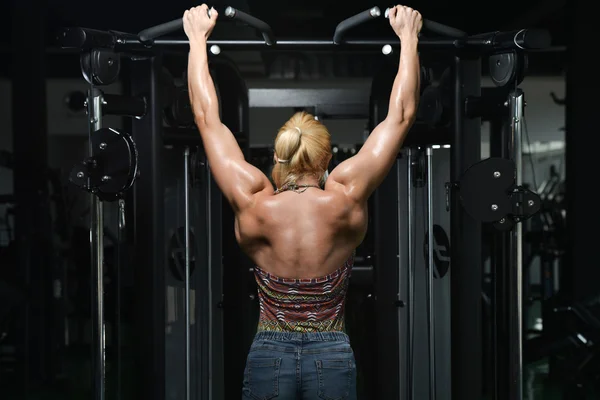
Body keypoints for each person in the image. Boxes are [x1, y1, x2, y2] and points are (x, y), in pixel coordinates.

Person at [183, 4, 422, 399]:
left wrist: (196, 40)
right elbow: (400, 116)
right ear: (328, 159)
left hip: (268, 354)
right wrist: (408, 38)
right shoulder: (345, 196)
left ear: (278, 157)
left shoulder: (253, 201)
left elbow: (206, 118)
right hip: (331, 354)